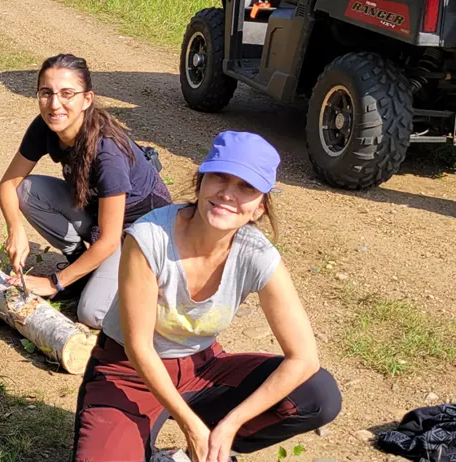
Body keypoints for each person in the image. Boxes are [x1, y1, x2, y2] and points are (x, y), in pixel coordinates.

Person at [71, 131, 342, 461]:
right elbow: (139, 347)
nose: (228, 194)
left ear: (259, 208)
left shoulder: (256, 254)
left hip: (203, 367)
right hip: (130, 371)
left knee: (318, 394)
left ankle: (205, 452)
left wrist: (229, 426)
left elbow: (304, 358)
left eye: (246, 187)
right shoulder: (149, 237)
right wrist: (191, 426)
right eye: (220, 177)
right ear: (200, 182)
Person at [0, 53, 172, 329]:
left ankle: (148, 289)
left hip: (141, 233)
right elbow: (9, 184)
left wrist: (53, 283)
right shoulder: (45, 125)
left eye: (67, 94)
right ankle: (82, 270)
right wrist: (15, 229)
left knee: (92, 313)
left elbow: (110, 240)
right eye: (46, 93)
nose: (55, 104)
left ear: (87, 99)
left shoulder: (107, 152)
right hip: (101, 218)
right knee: (28, 190)